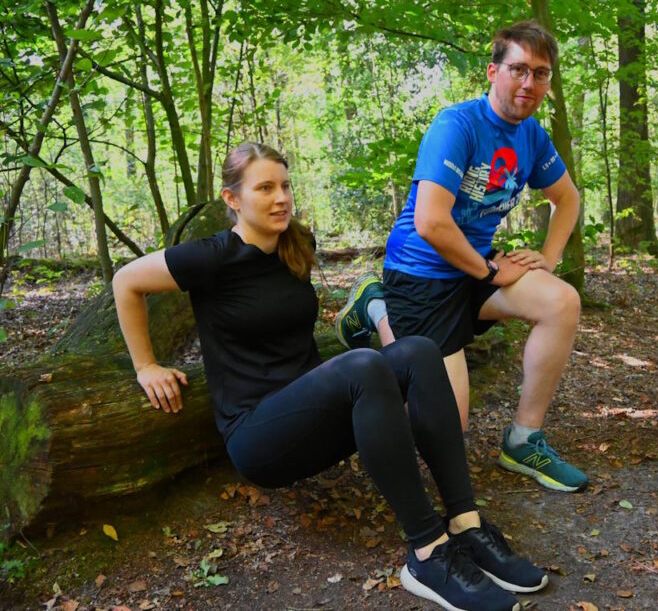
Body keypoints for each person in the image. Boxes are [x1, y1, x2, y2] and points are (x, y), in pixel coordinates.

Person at [113, 143, 548, 611]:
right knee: (364, 364)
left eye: (284, 186)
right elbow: (126, 282)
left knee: (420, 351)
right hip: (258, 436)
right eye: (264, 188)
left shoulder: (296, 245)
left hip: (315, 417)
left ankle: (466, 525)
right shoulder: (211, 257)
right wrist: (146, 365)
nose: (280, 198)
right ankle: (427, 552)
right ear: (232, 199)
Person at [336, 21, 588, 493]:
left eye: (541, 73)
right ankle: (379, 306)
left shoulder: (532, 136)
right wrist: (491, 270)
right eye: (518, 69)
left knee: (561, 302)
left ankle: (523, 441)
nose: (529, 83)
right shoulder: (457, 125)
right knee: (449, 430)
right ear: (492, 72)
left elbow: (568, 199)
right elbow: (432, 222)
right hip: (421, 272)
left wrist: (549, 257)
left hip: (473, 267)